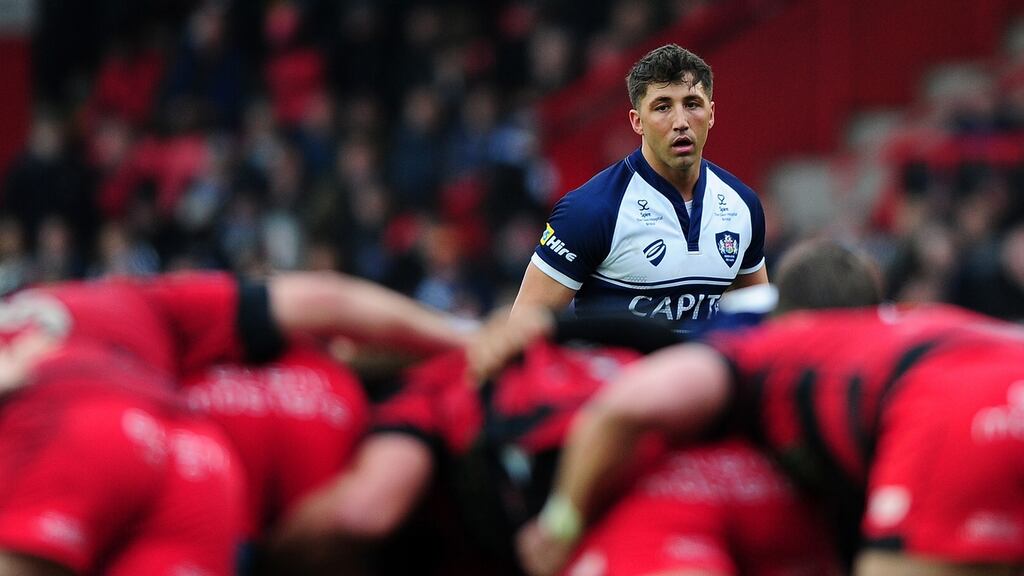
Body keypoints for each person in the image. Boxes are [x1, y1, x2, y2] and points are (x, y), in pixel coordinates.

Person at [275, 239, 879, 576]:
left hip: (600, 496)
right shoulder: (712, 328)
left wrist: (263, 550)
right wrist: (551, 325)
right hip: (751, 487)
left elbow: (365, 511)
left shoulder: (435, 386)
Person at [0, 270, 471, 575]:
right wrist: (472, 337)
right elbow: (326, 298)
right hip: (197, 464)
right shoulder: (148, 303)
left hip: (72, 418)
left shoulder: (124, 311)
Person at [517, 305, 1024, 575]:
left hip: (944, 406)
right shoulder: (885, 329)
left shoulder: (752, 354)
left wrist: (561, 523)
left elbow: (623, 408)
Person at [511, 44, 767, 328]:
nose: (681, 122)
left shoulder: (743, 205)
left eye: (692, 104)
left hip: (701, 371)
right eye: (662, 107)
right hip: (618, 373)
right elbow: (522, 329)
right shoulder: (590, 210)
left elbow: (758, 326)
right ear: (637, 121)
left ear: (711, 114)